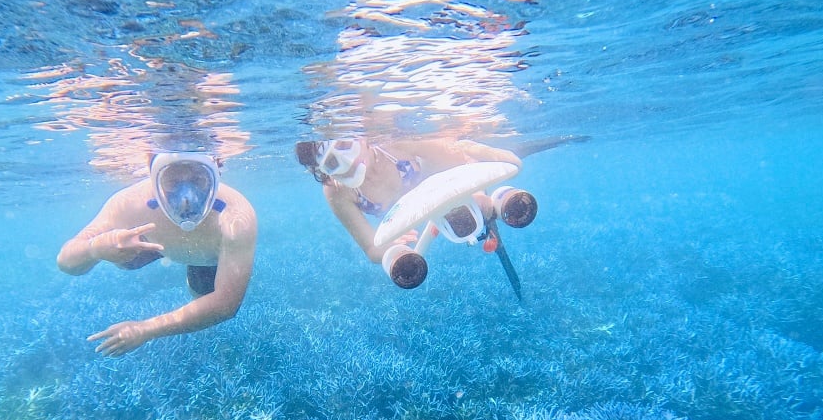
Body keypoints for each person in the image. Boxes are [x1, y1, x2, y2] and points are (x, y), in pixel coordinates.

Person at [57, 152, 257, 356]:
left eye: (198, 179)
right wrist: (95, 248)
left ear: (216, 174)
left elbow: (225, 305)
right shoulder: (130, 203)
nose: (186, 198)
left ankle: (193, 275)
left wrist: (145, 330)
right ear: (153, 177)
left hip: (204, 257)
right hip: (151, 244)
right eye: (171, 181)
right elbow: (66, 261)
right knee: (125, 259)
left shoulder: (235, 217)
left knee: (202, 297)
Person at [295, 135, 553, 264]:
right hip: (422, 211)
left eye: (344, 145)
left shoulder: (396, 145)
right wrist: (394, 250)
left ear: (362, 138)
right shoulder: (336, 190)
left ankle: (500, 202)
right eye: (331, 162)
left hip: (447, 182)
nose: (345, 162)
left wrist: (489, 157)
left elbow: (457, 151)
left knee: (486, 206)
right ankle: (494, 205)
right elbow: (373, 250)